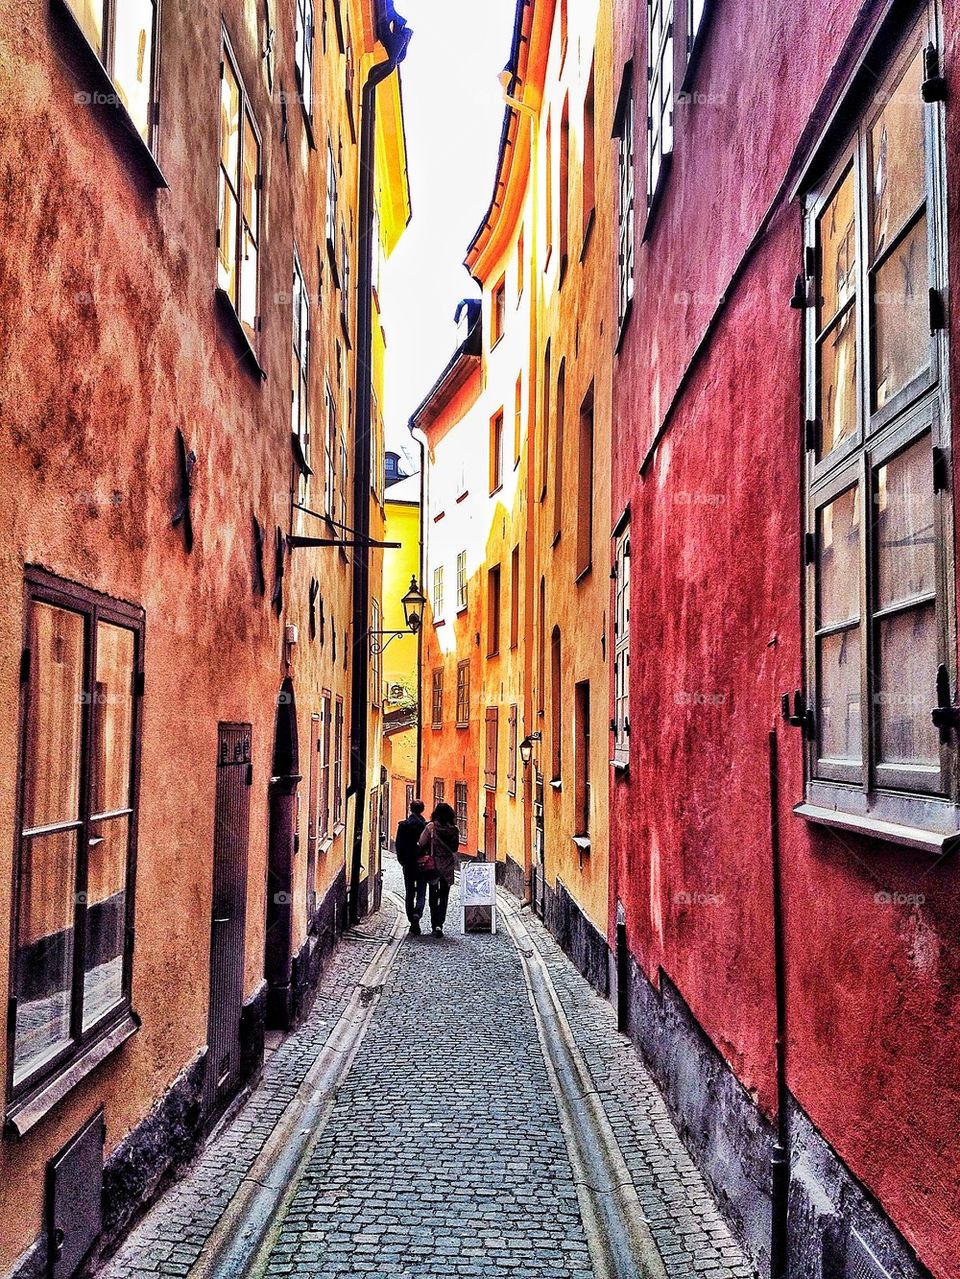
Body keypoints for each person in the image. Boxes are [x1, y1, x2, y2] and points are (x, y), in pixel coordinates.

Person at [417, 802, 460, 937]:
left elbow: (422, 843)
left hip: (434, 865)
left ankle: (434, 923)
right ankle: (439, 924)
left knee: (433, 896)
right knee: (444, 896)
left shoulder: (431, 827)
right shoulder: (454, 830)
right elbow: (454, 848)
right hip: (447, 866)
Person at [395, 799, 427, 934]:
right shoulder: (425, 826)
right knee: (421, 891)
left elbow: (398, 845)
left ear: (410, 809)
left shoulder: (403, 826)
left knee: (409, 892)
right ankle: (417, 914)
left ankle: (411, 919)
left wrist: (402, 860)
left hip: (408, 863)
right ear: (422, 810)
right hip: (422, 863)